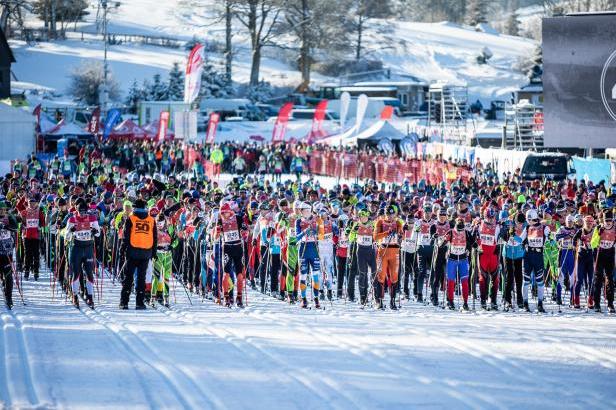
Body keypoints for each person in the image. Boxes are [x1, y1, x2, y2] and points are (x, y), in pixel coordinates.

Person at [120, 199, 157, 310]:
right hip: (146, 252)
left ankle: (124, 302)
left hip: (132, 251)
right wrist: (153, 252)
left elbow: (125, 236)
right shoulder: (151, 220)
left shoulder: (131, 219)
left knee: (128, 277)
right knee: (141, 277)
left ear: (135, 208)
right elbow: (155, 237)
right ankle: (140, 303)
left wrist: (122, 250)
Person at [66, 200, 100, 308]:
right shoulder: (72, 219)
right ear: (77, 210)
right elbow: (66, 236)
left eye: (85, 212)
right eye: (81, 212)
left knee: (89, 273)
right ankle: (75, 296)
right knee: (76, 273)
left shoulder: (92, 218)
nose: (83, 214)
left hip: (88, 247)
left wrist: (95, 231)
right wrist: (71, 230)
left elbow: (98, 233)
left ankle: (90, 297)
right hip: (77, 248)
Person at [0, 202, 18, 309]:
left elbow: (15, 228)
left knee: (8, 275)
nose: (2, 212)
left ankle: (9, 297)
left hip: (7, 251)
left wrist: (7, 226)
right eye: (1, 210)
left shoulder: (9, 217)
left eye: (4, 210)